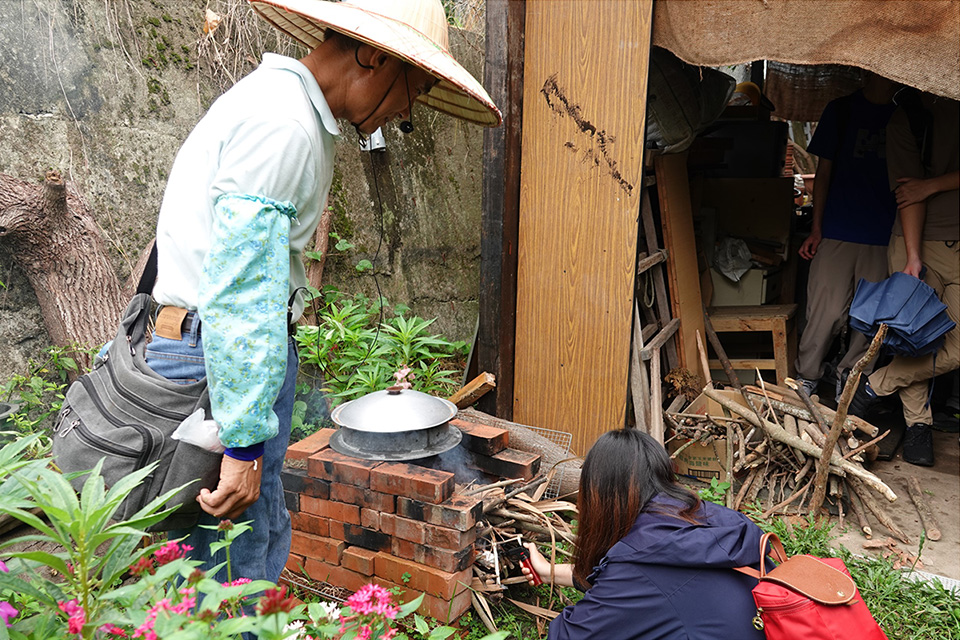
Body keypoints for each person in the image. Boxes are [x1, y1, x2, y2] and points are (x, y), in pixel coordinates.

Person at [145, 0, 500, 584]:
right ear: (373, 55)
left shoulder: (275, 104)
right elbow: (242, 287)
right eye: (413, 88)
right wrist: (241, 444)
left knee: (234, 551)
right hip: (216, 365)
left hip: (208, 355)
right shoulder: (284, 124)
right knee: (232, 569)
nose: (408, 107)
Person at [521, 429, 765, 640]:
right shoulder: (709, 518)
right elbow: (657, 586)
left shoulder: (638, 565)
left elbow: (568, 635)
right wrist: (548, 571)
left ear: (602, 498)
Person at [850, 92, 959, 467]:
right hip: (915, 243)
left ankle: (870, 387)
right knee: (914, 342)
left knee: (956, 348)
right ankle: (918, 427)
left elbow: (922, 187)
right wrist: (913, 256)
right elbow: (908, 191)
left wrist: (935, 184)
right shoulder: (909, 116)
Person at [794, 72, 900, 400]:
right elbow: (823, 174)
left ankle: (850, 382)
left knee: (868, 321)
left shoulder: (908, 116)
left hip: (886, 236)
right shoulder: (841, 110)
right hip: (838, 229)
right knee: (824, 313)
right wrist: (817, 228)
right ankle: (806, 378)